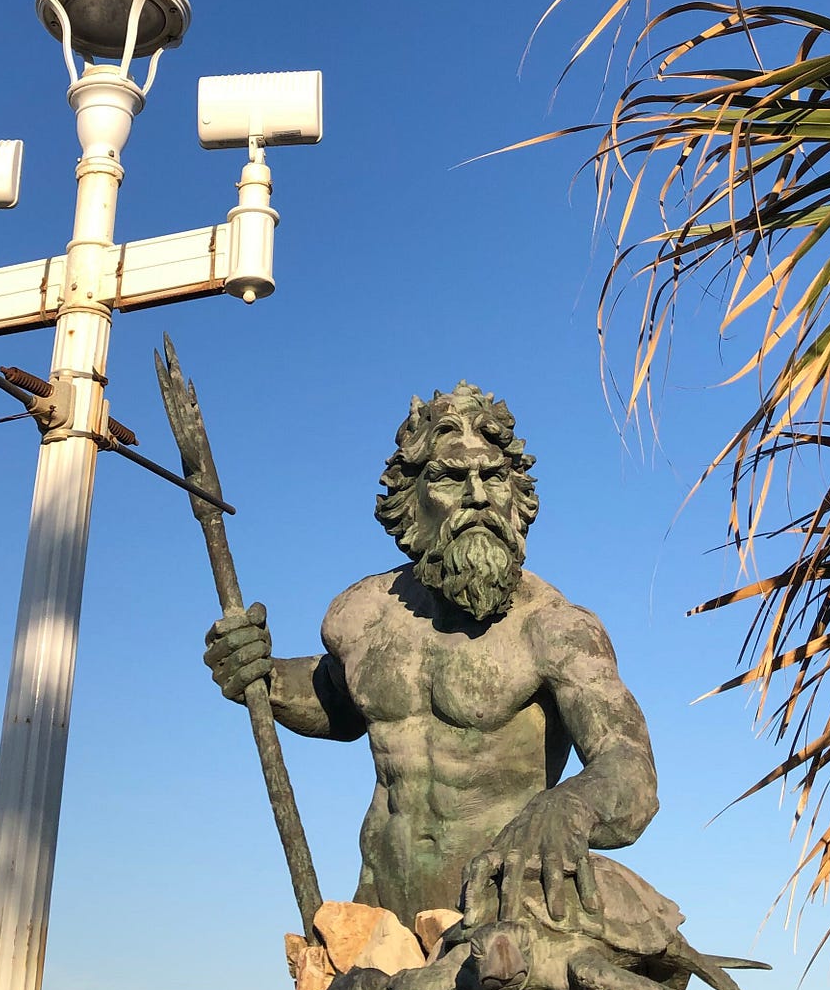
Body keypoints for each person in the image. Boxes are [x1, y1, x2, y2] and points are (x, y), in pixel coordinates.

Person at [204, 381, 658, 926]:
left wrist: (569, 804)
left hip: (500, 927)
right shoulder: (362, 614)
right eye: (449, 477)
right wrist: (264, 675)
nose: (477, 495)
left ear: (518, 495)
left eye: (493, 476)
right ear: (410, 499)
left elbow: (631, 773)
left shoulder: (555, 629)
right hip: (380, 914)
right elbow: (336, 701)